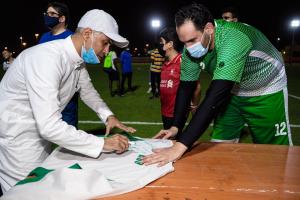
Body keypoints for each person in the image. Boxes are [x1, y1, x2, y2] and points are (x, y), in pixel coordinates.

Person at [0, 9, 136, 193]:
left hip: (39, 137)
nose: (107, 51)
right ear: (87, 34)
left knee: (45, 186)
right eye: (105, 43)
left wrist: (108, 115)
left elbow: (88, 92)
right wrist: (103, 143)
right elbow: (49, 126)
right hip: (19, 141)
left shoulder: (76, 61)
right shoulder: (46, 59)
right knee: (27, 193)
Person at [143, 3, 292, 167]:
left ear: (209, 29)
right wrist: (176, 127)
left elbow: (215, 96)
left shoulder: (233, 38)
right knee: (219, 148)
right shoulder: (190, 50)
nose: (188, 48)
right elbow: (186, 88)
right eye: (183, 42)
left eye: (192, 40)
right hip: (233, 90)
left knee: (276, 155)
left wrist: (180, 146)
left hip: (265, 89)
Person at [39, 2, 79, 129]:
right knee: (44, 134)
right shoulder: (44, 37)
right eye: (46, 13)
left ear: (62, 18)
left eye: (52, 14)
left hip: (65, 97)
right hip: (45, 95)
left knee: (69, 138)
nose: (47, 16)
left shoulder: (72, 38)